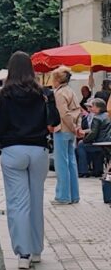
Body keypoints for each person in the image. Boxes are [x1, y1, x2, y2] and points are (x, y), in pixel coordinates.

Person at [0, 52, 60, 269]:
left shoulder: (5, 95)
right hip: (38, 149)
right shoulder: (43, 93)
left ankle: (23, 253)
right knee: (36, 200)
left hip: (13, 150)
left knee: (18, 203)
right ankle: (37, 249)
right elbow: (54, 120)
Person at [51, 66, 81, 205]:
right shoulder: (71, 91)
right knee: (72, 162)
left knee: (61, 163)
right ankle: (74, 195)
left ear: (57, 79)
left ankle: (63, 196)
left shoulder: (59, 93)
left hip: (62, 129)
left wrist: (72, 127)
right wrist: (76, 128)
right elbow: (77, 111)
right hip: (71, 130)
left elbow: (64, 114)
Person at [76, 97, 111, 178]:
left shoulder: (96, 118)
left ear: (98, 108)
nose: (89, 108)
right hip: (107, 142)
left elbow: (93, 134)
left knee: (81, 145)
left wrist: (84, 140)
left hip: (100, 143)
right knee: (96, 149)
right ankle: (98, 170)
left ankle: (83, 171)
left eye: (91, 106)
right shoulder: (107, 116)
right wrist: (85, 132)